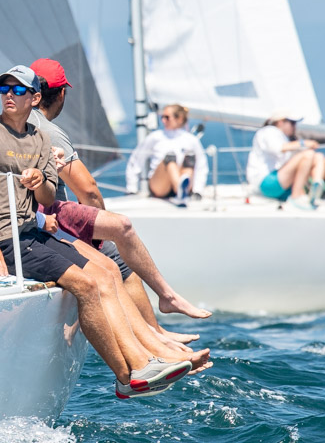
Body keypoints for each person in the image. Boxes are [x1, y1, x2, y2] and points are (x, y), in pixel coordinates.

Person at [0, 64, 210, 398]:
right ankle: (128, 373)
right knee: (87, 285)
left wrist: (39, 181)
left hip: (31, 229)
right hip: (3, 236)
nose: (9, 96)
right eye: (4, 90)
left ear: (35, 97)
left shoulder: (39, 138)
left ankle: (145, 358)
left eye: (17, 90)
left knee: (107, 270)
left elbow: (44, 197)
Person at [30, 59, 209, 323]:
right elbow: (88, 191)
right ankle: (156, 332)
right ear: (62, 94)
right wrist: (98, 229)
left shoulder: (14, 124)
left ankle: (161, 316)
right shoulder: (50, 132)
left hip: (36, 221)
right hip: (49, 222)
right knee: (117, 255)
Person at [125, 104, 208, 202]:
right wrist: (132, 188)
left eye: (167, 117)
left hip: (186, 186)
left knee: (189, 158)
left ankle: (181, 191)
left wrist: (197, 190)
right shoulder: (155, 137)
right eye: (162, 117)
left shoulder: (191, 140)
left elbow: (201, 166)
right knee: (170, 158)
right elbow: (136, 160)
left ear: (180, 119)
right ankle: (180, 190)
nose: (163, 120)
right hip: (160, 187)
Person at [245, 110, 325, 210]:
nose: (294, 126)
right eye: (292, 123)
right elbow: (278, 148)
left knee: (318, 156)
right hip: (265, 183)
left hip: (279, 183)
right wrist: (302, 143)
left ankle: (317, 184)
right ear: (280, 122)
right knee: (308, 155)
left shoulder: (282, 137)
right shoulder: (269, 131)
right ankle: (296, 196)